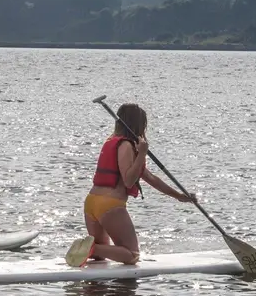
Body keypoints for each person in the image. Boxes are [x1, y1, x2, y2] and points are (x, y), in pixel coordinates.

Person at [64, 103, 196, 267]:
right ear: (138, 125)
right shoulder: (126, 146)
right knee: (131, 255)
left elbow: (150, 177)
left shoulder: (111, 142)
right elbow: (128, 180)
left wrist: (179, 196)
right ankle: (92, 248)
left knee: (101, 255)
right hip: (109, 205)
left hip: (92, 202)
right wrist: (141, 153)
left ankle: (92, 249)